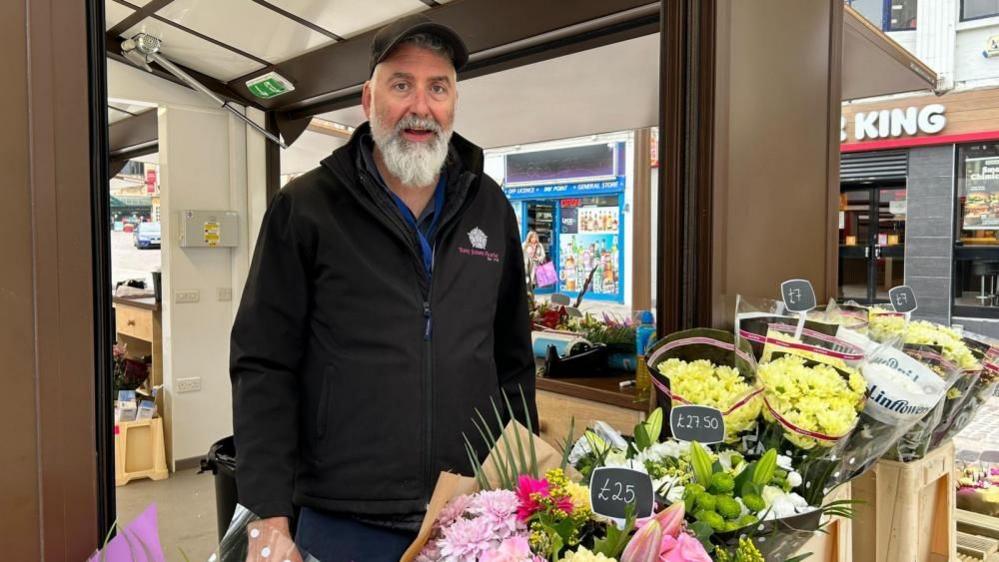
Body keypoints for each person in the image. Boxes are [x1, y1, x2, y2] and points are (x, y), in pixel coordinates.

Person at [229, 15, 537, 562]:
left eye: (437, 87)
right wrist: (268, 517)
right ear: (368, 99)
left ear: (454, 102)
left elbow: (512, 361)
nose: (421, 107)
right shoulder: (307, 207)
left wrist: (523, 486)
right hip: (341, 520)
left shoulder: (489, 205)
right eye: (401, 85)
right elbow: (263, 365)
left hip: (470, 518)